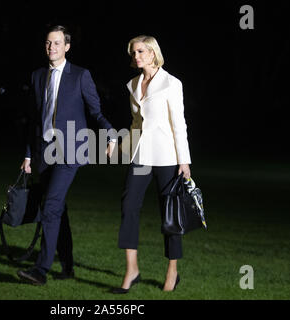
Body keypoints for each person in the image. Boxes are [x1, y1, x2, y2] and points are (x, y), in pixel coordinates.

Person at [17, 25, 116, 285]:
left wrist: (110, 133)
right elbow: (33, 120)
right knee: (57, 208)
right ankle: (68, 265)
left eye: (57, 43)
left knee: (50, 206)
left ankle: (41, 270)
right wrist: (28, 155)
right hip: (44, 151)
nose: (52, 48)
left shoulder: (81, 76)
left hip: (71, 150)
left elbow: (95, 112)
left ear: (67, 46)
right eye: (49, 43)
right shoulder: (37, 75)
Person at [113, 35, 192, 293]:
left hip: (167, 157)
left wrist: (184, 161)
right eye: (133, 52)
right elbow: (137, 124)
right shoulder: (133, 84)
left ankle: (172, 270)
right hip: (141, 156)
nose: (136, 56)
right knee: (128, 205)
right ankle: (132, 269)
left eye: (140, 51)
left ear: (153, 53)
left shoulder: (172, 84)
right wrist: (121, 146)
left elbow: (179, 125)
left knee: (169, 215)